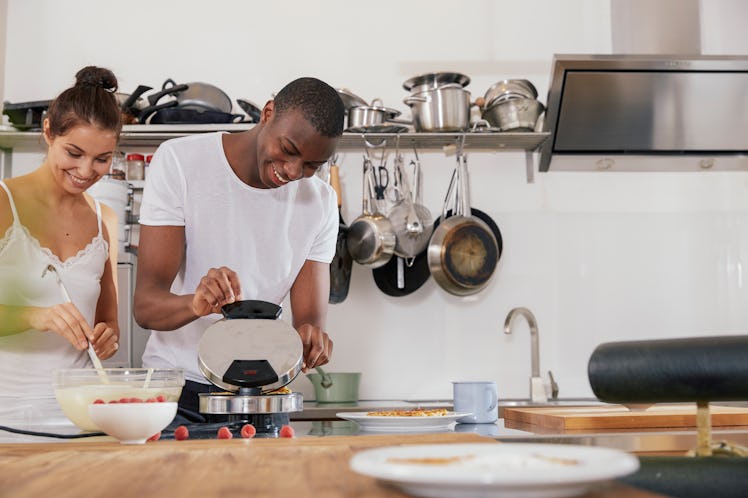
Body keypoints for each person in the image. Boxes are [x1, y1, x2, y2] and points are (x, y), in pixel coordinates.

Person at [134, 77, 345, 415]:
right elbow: (146, 308)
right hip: (176, 391)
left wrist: (313, 340)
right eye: (289, 150)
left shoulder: (319, 201)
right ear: (268, 113)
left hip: (262, 397)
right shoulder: (180, 162)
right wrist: (197, 303)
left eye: (311, 165)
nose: (293, 171)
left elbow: (308, 325)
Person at [0, 66, 121, 421]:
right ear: (48, 132)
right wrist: (35, 316)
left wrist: (108, 338)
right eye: (74, 153)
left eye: (102, 159)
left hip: (79, 416)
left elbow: (109, 321)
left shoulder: (105, 220)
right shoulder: (4, 204)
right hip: (4, 412)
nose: (86, 171)